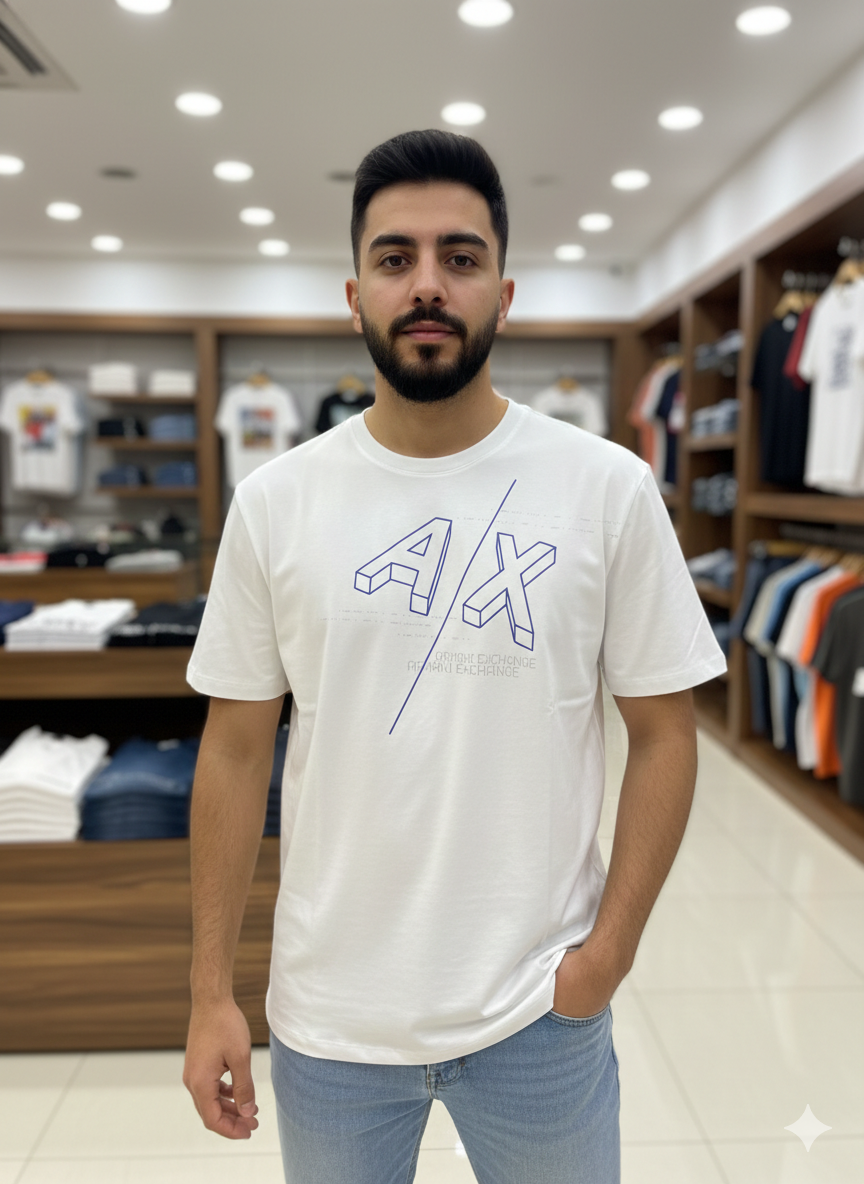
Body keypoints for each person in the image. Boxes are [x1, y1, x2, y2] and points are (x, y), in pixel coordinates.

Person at [182, 129, 726, 1183]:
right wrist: (211, 992)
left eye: (460, 257)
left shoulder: (606, 488)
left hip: (539, 1017)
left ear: (503, 294)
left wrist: (608, 955)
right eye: (396, 258)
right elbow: (236, 752)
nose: (427, 283)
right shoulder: (276, 501)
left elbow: (666, 734)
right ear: (355, 295)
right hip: (331, 1024)